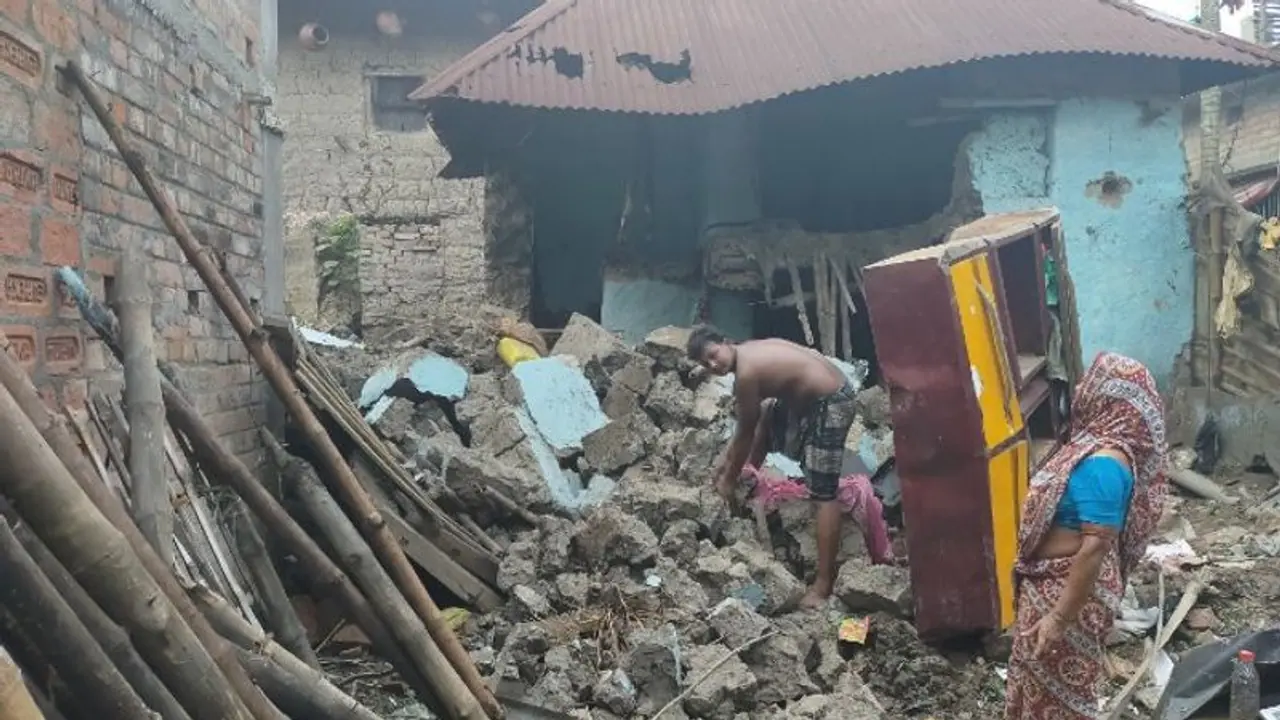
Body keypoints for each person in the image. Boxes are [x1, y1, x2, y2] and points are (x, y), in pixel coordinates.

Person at [1005, 352, 1168, 719]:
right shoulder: (1096, 449)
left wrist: (1058, 618)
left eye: (1090, 384)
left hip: (1066, 592)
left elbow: (1094, 546)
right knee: (1036, 688)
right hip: (1056, 586)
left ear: (1110, 398)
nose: (1080, 390)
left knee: (1059, 699)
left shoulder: (1104, 464)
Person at [686, 325, 858, 607]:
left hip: (832, 402)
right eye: (707, 364)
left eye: (714, 355)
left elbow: (744, 432)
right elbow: (749, 427)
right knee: (768, 414)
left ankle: (823, 585)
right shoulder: (749, 349)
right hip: (812, 400)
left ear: (726, 342)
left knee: (823, 493)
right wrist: (723, 465)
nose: (714, 365)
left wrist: (727, 478)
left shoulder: (746, 374)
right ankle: (749, 489)